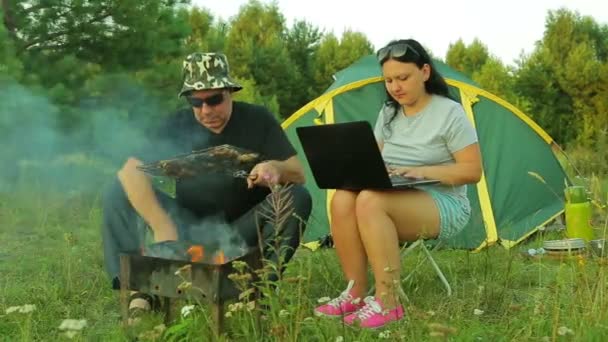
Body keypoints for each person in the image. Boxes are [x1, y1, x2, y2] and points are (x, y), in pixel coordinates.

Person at [101, 52, 312, 316]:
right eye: (196, 102)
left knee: (298, 197)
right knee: (116, 191)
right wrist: (162, 224)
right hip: (188, 229)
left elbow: (297, 173)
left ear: (230, 91)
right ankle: (138, 290)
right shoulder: (176, 124)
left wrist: (274, 168)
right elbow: (130, 171)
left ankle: (258, 291)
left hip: (242, 233)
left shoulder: (258, 119)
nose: (206, 110)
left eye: (214, 100)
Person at [314, 39, 482, 329]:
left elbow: (472, 171)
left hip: (442, 203)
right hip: (394, 192)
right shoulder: (389, 113)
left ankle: (388, 302)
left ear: (425, 72)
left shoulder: (449, 113)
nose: (395, 87)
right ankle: (355, 293)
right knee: (342, 197)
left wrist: (419, 171)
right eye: (389, 80)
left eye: (403, 78)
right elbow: (374, 161)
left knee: (369, 201)